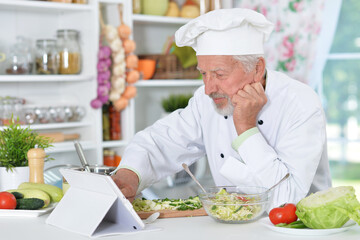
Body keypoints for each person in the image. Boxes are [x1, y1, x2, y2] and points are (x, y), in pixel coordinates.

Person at [112, 8, 332, 208]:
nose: (208, 88)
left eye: (219, 74)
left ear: (257, 68)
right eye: (204, 74)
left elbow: (287, 200)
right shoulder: (205, 99)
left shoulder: (300, 103)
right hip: (233, 225)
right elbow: (163, 141)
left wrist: (246, 128)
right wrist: (130, 173)